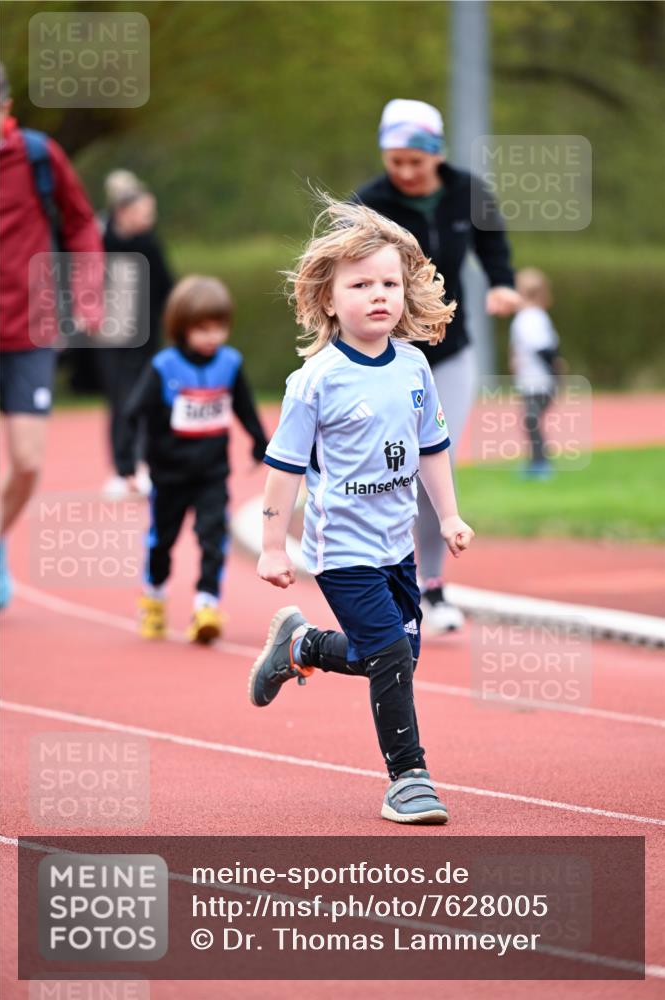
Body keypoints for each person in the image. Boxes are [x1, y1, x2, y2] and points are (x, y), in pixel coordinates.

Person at [249, 198, 474, 824]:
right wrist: (273, 547)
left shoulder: (414, 366)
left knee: (395, 653)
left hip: (396, 547)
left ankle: (304, 647)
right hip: (342, 553)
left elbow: (433, 447)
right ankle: (409, 779)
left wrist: (449, 517)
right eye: (361, 285)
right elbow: (284, 470)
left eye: (390, 283)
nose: (380, 296)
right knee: (393, 659)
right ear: (328, 299)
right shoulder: (314, 380)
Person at [354, 98, 520, 632]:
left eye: (415, 162)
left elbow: (493, 244)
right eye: (394, 160)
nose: (404, 172)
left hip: (449, 351)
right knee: (386, 469)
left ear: (436, 155)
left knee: (432, 465)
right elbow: (340, 268)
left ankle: (432, 584)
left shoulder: (469, 192)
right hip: (384, 355)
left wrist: (501, 285)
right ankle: (379, 575)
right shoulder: (370, 202)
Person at [0, 62, 103, 609]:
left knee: (29, 459)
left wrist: (86, 292)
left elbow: (82, 221)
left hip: (30, 327)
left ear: (5, 110)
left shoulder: (39, 156)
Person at [121, 275, 268, 644]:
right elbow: (134, 414)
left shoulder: (230, 364)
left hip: (211, 474)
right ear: (182, 327)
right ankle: (153, 597)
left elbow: (244, 407)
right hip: (168, 475)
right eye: (203, 329)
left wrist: (258, 442)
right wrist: (129, 463)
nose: (212, 337)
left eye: (219, 327)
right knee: (163, 542)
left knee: (213, 537)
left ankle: (207, 605)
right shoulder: (164, 367)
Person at [96, 170, 174, 498]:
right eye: (145, 212)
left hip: (145, 339)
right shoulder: (100, 241)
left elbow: (168, 289)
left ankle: (143, 466)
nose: (149, 218)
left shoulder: (150, 244)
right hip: (110, 336)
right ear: (123, 212)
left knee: (144, 400)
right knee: (119, 402)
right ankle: (120, 467)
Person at [510, 268, 561, 479]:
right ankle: (538, 461)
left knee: (531, 420)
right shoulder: (536, 316)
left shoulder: (528, 317)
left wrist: (554, 374)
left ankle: (540, 464)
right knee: (531, 421)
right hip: (535, 379)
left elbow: (542, 349)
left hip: (537, 380)